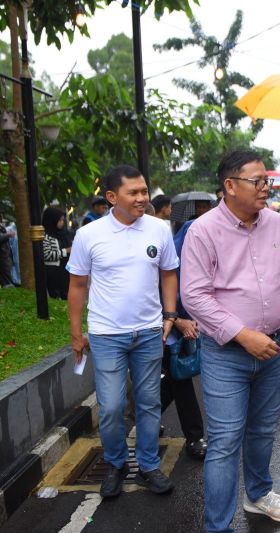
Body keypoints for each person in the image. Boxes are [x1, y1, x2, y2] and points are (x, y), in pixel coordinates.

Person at [181, 150, 280, 533]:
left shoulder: (277, 225)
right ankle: (218, 527)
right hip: (226, 354)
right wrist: (241, 334)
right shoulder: (203, 231)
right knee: (224, 441)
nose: (266, 188)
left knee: (264, 428)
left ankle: (259, 494)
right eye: (257, 181)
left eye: (266, 180)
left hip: (273, 347)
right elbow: (195, 296)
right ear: (230, 186)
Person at [67, 165, 180, 499]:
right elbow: (76, 286)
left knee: (148, 403)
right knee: (113, 405)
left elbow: (169, 273)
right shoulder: (89, 235)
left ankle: (147, 466)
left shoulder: (159, 229)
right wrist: (76, 333)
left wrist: (170, 314)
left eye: (144, 191)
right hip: (106, 335)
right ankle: (116, 463)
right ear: (112, 197)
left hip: (148, 333)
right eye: (134, 193)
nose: (142, 198)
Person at [160, 199, 214, 461]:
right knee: (176, 377)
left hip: (190, 321)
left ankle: (145, 414)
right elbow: (173, 280)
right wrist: (178, 318)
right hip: (166, 322)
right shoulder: (191, 232)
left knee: (177, 377)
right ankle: (193, 436)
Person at [42, 207, 72, 299]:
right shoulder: (45, 236)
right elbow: (46, 255)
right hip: (54, 274)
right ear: (52, 220)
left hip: (66, 272)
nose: (62, 222)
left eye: (63, 220)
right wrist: (65, 251)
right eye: (59, 220)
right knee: (56, 298)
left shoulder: (65, 234)